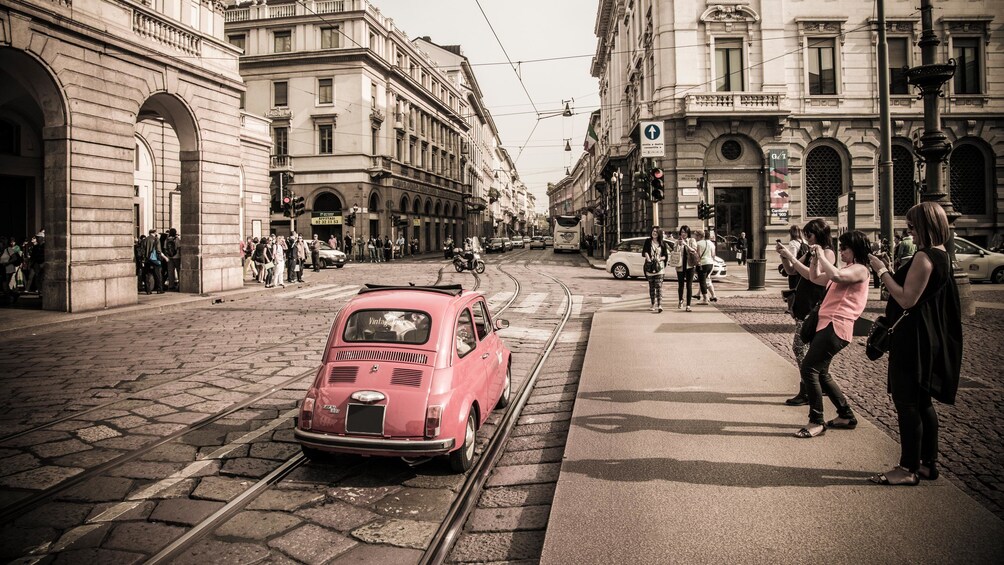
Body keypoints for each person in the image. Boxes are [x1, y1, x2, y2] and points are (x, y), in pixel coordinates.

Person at [867, 203, 962, 486]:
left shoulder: (924, 256)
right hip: (927, 337)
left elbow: (907, 298)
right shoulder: (943, 254)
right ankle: (927, 463)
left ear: (925, 226)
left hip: (913, 339)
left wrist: (882, 271)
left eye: (911, 226)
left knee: (907, 402)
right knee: (922, 403)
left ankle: (907, 467)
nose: (907, 230)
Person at [789, 230, 870, 438]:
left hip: (837, 326)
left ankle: (816, 421)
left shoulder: (860, 269)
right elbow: (815, 277)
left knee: (808, 368)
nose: (840, 251)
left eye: (844, 248)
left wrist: (824, 256)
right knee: (822, 373)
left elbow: (836, 275)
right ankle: (846, 415)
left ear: (856, 249)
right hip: (827, 324)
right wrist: (816, 259)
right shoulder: (848, 268)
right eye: (840, 247)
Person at [777, 219, 833, 406]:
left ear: (819, 234)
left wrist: (792, 258)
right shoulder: (811, 252)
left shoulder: (827, 253)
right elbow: (792, 271)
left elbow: (812, 276)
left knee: (799, 347)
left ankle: (809, 388)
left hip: (814, 306)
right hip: (804, 305)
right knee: (809, 349)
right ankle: (815, 386)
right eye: (805, 234)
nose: (806, 238)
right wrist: (784, 256)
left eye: (809, 234)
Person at [642, 226, 670, 313]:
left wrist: (660, 259)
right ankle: (652, 304)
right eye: (653, 231)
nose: (654, 233)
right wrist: (648, 258)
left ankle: (659, 305)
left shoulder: (663, 243)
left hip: (659, 268)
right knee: (651, 287)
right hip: (650, 267)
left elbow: (665, 256)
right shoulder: (648, 241)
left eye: (656, 232)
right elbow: (644, 251)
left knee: (659, 287)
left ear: (659, 234)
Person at [674, 226, 697, 312]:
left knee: (689, 285)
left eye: (685, 232)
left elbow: (694, 250)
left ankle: (688, 305)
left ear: (688, 233)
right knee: (680, 285)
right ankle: (680, 300)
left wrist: (686, 244)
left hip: (690, 265)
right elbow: (675, 252)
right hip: (680, 265)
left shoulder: (692, 240)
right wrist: (679, 245)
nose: (683, 234)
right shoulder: (677, 241)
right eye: (682, 232)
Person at [693, 229, 718, 304]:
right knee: (706, 280)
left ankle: (705, 299)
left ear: (699, 236)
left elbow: (698, 255)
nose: (695, 237)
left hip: (702, 264)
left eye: (696, 235)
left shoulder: (698, 243)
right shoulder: (710, 243)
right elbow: (713, 255)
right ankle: (712, 296)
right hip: (710, 263)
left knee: (702, 282)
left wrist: (695, 263)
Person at [140, 229, 166, 294]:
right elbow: (158, 250)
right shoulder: (156, 239)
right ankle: (159, 289)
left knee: (148, 275)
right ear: (154, 233)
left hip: (147, 260)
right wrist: (163, 258)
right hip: (155, 259)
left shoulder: (144, 240)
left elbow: (142, 251)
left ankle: (148, 290)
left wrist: (143, 260)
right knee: (158, 275)